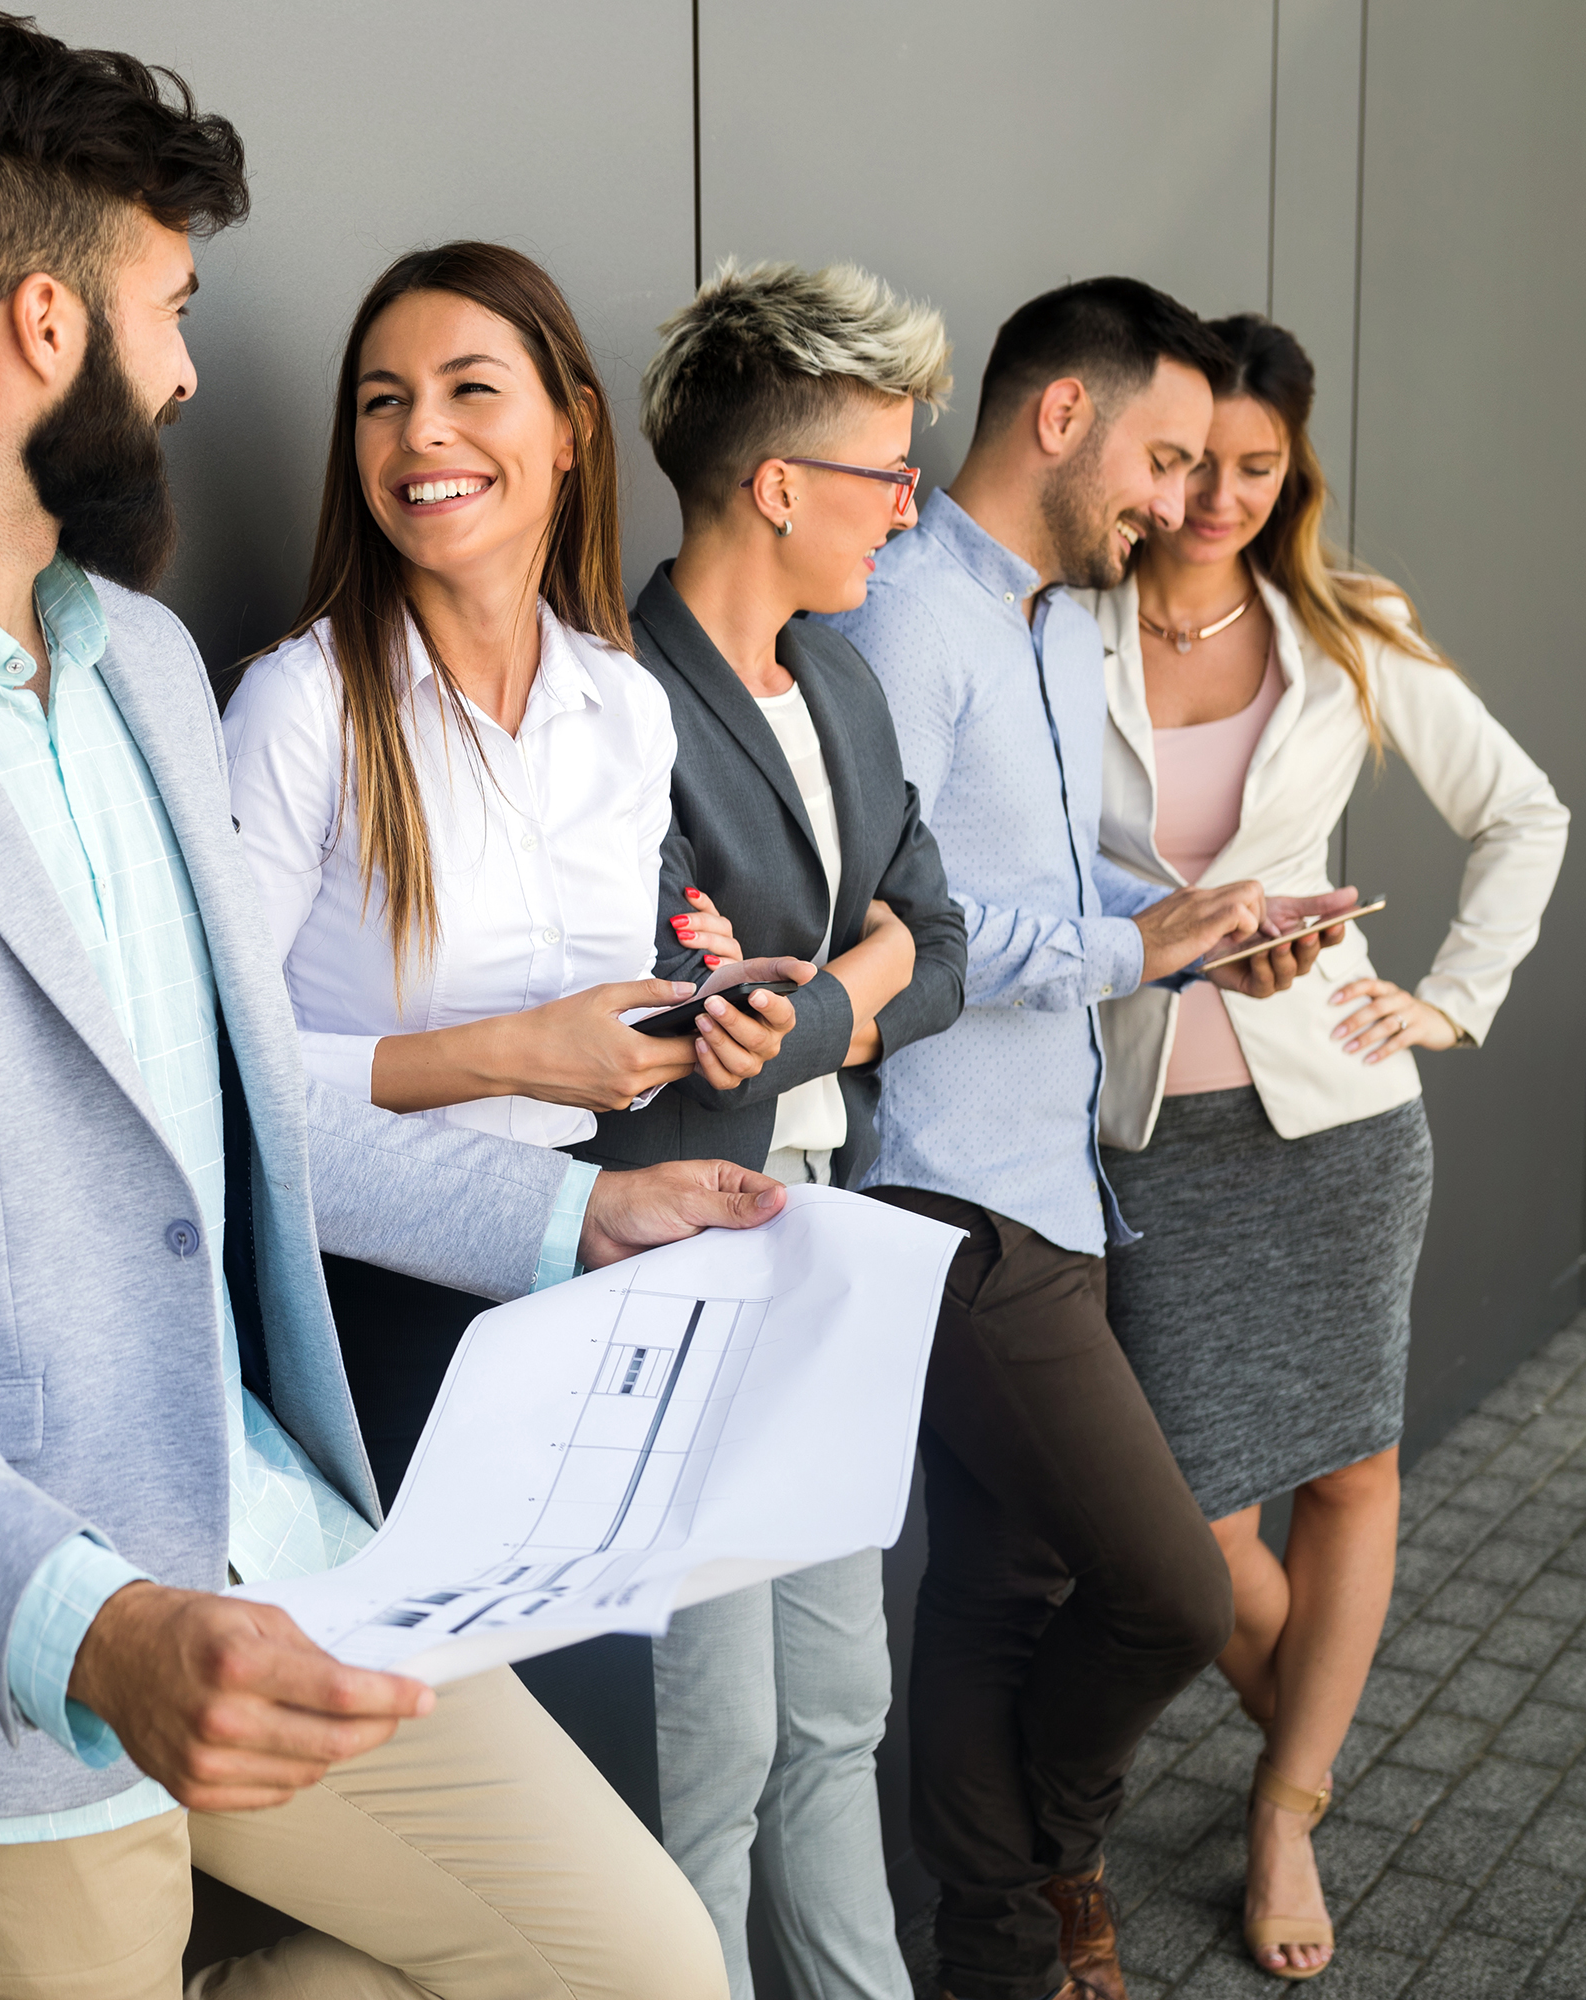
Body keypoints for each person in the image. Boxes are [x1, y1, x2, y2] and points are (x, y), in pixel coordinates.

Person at [0, 14, 773, 1996]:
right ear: (43, 325)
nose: (186, 368)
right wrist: (100, 1630)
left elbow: (250, 1118)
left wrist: (574, 1214)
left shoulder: (149, 668)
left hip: (275, 1549)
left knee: (645, 1967)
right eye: (169, 308)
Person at [821, 277, 1348, 2000]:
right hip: (944, 1194)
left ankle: (991, 1943)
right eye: (1166, 456)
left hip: (1059, 1183)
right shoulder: (906, 610)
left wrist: (1197, 912)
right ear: (1062, 416)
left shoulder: (1053, 619)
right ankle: (1047, 1848)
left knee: (1001, 1582)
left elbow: (1053, 870)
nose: (1185, 502)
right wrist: (1143, 951)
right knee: (1170, 1592)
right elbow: (910, 933)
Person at [1086, 313, 1568, 1981]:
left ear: (1294, 468)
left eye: (1258, 464)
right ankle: (1319, 1730)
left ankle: (1283, 1805)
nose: (1219, 491)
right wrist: (1158, 926)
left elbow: (1524, 810)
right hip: (1141, 1126)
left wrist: (1450, 999)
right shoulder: (1054, 629)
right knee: (1195, 1525)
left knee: (1352, 1469)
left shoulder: (1348, 630)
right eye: (1192, 457)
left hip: (1340, 1120)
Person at [222, 238, 807, 1507]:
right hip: (368, 1292)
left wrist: (702, 1004)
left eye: (469, 388)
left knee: (575, 1695)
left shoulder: (624, 702)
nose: (420, 431)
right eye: (383, 400)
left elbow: (609, 980)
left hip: (586, 1248)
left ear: (570, 430)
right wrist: (516, 1051)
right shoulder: (299, 707)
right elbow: (221, 1069)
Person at [577, 259, 973, 2000]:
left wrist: (835, 985)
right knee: (716, 1739)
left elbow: (941, 949)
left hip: (830, 1230)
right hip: (687, 1244)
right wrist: (849, 984)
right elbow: (692, 1032)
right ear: (781, 485)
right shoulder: (614, 707)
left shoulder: (851, 686)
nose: (914, 507)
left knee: (841, 1703)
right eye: (892, 472)